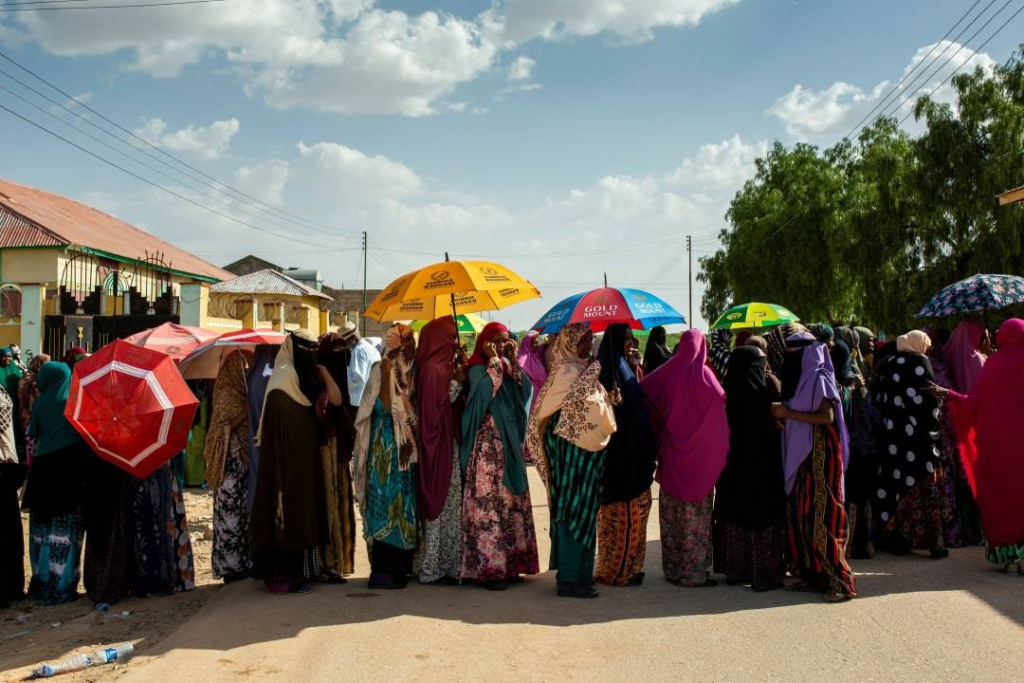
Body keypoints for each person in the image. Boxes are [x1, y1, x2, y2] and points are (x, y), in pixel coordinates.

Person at [528, 324, 617, 598]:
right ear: (570, 341)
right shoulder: (566, 373)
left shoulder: (582, 370)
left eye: (590, 340)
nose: (588, 346)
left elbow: (592, 408)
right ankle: (569, 580)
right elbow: (561, 416)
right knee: (571, 513)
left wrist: (608, 397)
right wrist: (592, 375)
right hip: (570, 462)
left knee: (585, 514)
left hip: (586, 461)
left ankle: (581, 576)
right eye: (584, 340)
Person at [771, 332, 856, 603]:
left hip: (821, 454)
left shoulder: (819, 377)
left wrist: (787, 414)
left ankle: (839, 580)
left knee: (823, 514)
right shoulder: (798, 378)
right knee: (802, 514)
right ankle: (813, 574)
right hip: (802, 456)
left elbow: (825, 417)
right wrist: (784, 420)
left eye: (793, 354)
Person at [251, 331, 337, 595]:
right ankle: (285, 575)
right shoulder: (282, 379)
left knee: (305, 514)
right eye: (306, 351)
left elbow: (334, 401)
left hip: (304, 464)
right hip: (285, 469)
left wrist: (323, 372)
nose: (309, 356)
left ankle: (304, 572)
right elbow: (277, 434)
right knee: (287, 517)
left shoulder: (303, 375)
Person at [644, 330, 728, 588]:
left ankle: (673, 569)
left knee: (674, 516)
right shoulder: (706, 376)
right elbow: (721, 403)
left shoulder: (669, 374)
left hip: (672, 457)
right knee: (696, 519)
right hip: (699, 462)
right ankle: (693, 573)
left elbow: (645, 389)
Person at [460, 322, 539, 590]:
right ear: (485, 342)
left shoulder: (505, 365)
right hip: (487, 448)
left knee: (510, 502)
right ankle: (491, 568)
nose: (502, 346)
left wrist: (513, 362)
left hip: (508, 444)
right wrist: (494, 362)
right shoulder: (476, 369)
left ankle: (512, 563)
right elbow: (483, 394)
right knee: (489, 503)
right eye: (496, 340)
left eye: (505, 341)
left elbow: (525, 391)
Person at [941, 319, 1024, 572]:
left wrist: (950, 395)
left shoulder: (993, 364)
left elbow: (972, 404)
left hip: (996, 446)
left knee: (1002, 496)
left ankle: (1010, 558)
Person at [871, 331, 950, 559]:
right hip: (917, 439)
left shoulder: (888, 363)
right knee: (923, 483)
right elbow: (929, 400)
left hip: (891, 437)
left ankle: (896, 539)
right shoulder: (920, 362)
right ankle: (934, 544)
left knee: (894, 485)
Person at [714, 345, 787, 592]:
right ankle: (762, 572)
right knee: (760, 513)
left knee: (735, 512)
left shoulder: (725, 396)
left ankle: (736, 569)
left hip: (732, 471)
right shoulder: (763, 399)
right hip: (761, 472)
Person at [353, 324, 419, 590]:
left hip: (402, 449)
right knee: (388, 503)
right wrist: (389, 373)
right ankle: (383, 572)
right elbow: (380, 406)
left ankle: (398, 568)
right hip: (387, 448)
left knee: (402, 506)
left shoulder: (410, 370)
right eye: (406, 342)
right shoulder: (383, 368)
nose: (410, 347)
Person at [595, 323, 657, 587]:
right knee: (622, 516)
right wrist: (610, 399)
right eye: (627, 339)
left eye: (632, 339)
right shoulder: (604, 369)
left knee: (637, 513)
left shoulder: (623, 366)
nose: (631, 343)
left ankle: (631, 567)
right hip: (620, 458)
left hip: (634, 454)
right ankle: (617, 572)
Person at [22, 362, 88, 605]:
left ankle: (42, 581)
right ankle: (63, 584)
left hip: (43, 470)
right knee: (67, 529)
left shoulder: (40, 402)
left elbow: (33, 433)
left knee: (42, 529)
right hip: (71, 469)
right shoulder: (75, 402)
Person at [415, 317, 466, 585]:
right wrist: (456, 382)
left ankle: (446, 565)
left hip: (446, 443)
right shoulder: (433, 370)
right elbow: (435, 412)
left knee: (449, 505)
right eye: (451, 338)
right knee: (440, 504)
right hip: (437, 446)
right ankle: (431, 566)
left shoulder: (439, 366)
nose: (455, 343)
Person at [206, 349, 256, 582]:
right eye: (244, 368)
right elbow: (220, 428)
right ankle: (229, 569)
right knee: (229, 519)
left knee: (243, 516)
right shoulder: (226, 392)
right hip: (228, 467)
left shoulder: (243, 391)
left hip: (243, 465)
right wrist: (244, 412)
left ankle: (243, 564)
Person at [316, 333, 357, 583]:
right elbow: (336, 398)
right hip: (325, 452)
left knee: (342, 503)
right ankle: (328, 563)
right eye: (336, 353)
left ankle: (341, 562)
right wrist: (322, 370)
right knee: (329, 506)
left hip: (339, 452)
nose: (342, 357)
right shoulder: (319, 383)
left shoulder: (341, 376)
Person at [245, 344, 278, 514]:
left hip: (254, 432)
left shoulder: (255, 374)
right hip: (267, 434)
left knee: (257, 471)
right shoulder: (270, 376)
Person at [340, 321, 381, 410]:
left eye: (346, 342)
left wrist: (342, 383)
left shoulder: (358, 350)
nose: (346, 346)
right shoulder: (371, 348)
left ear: (352, 338)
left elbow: (358, 378)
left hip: (359, 402)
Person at [17, 354, 49, 465]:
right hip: (30, 417)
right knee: (32, 446)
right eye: (47, 363)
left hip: (27, 415)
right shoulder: (33, 380)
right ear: (39, 364)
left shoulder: (29, 377)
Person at [944, 320, 990, 395]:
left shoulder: (947, 353)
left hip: (954, 400)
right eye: (982, 336)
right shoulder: (976, 358)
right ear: (974, 335)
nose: (983, 340)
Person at [0, 348, 23, 461]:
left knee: (16, 427)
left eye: (9, 356)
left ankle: (16, 452)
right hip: (2, 406)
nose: (7, 359)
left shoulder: (15, 369)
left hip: (16, 403)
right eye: (4, 356)